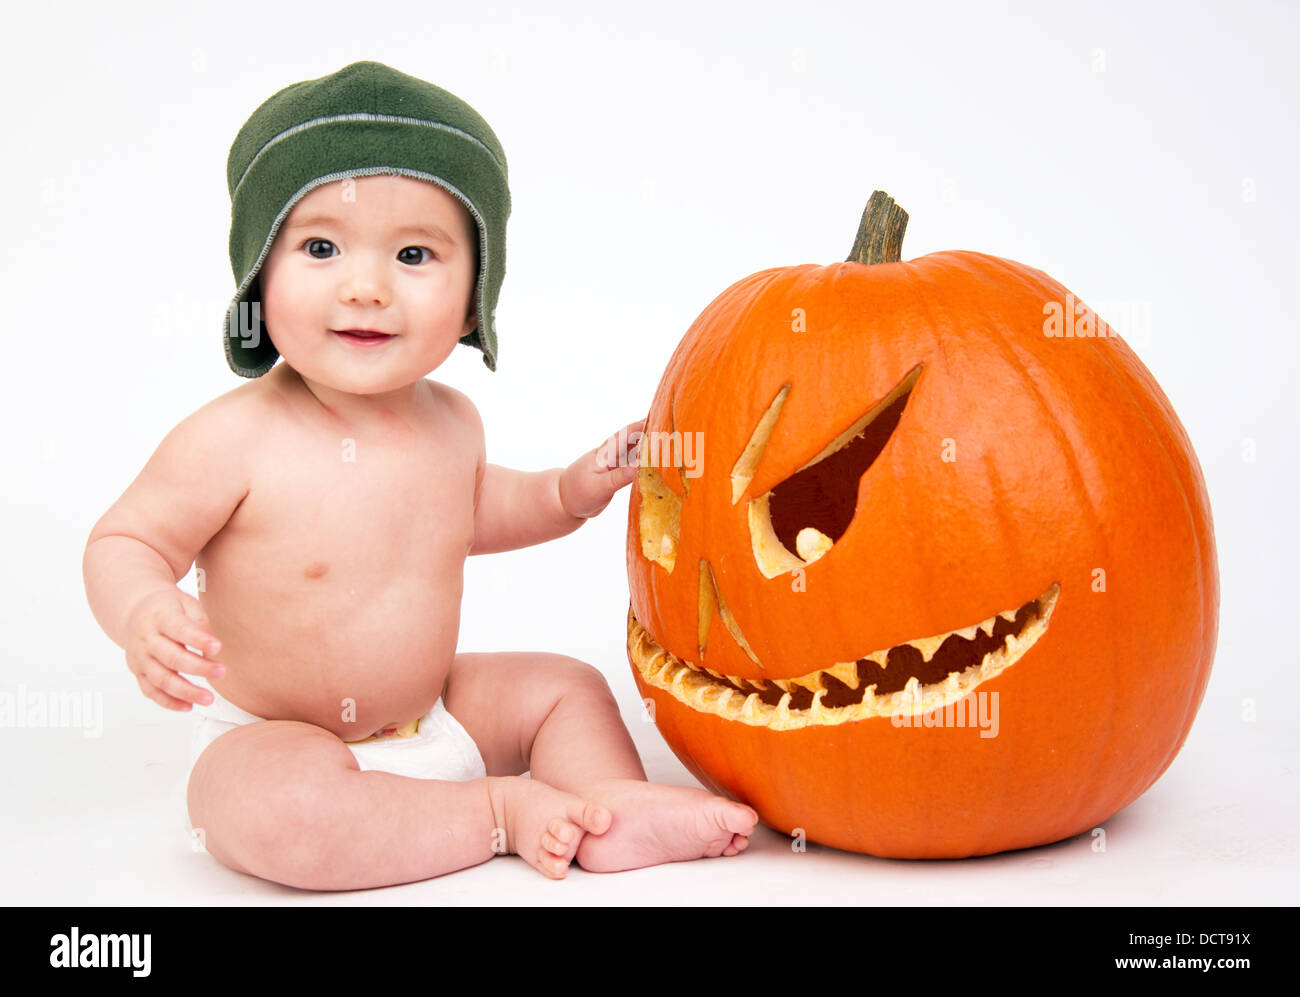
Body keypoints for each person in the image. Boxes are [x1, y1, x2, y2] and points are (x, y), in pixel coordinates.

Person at [82, 61, 756, 890]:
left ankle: (610, 806)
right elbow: (125, 538)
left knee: (565, 686)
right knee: (280, 812)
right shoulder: (232, 437)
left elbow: (477, 508)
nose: (366, 288)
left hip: (434, 710)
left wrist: (566, 491)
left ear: (475, 301)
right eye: (321, 247)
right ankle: (502, 812)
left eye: (413, 254)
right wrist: (144, 608)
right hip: (271, 731)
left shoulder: (453, 422)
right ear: (260, 273)